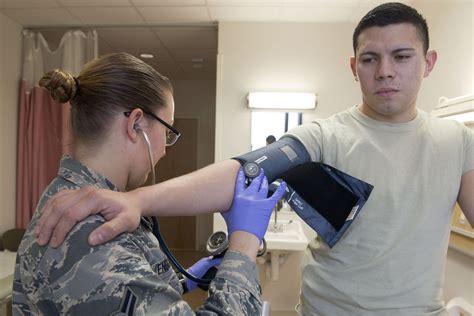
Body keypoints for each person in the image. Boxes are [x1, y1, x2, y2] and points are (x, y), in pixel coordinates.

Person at [35, 2, 474, 315]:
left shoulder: (457, 141)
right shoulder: (325, 134)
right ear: (353, 66)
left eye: (402, 57)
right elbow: (243, 172)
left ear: (428, 62)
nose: (385, 71)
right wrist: (138, 201)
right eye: (370, 59)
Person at [13, 52, 286, 315]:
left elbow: (114, 295)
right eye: (168, 131)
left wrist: (180, 281)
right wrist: (244, 248)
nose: (165, 149)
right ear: (136, 125)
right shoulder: (93, 232)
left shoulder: (85, 202)